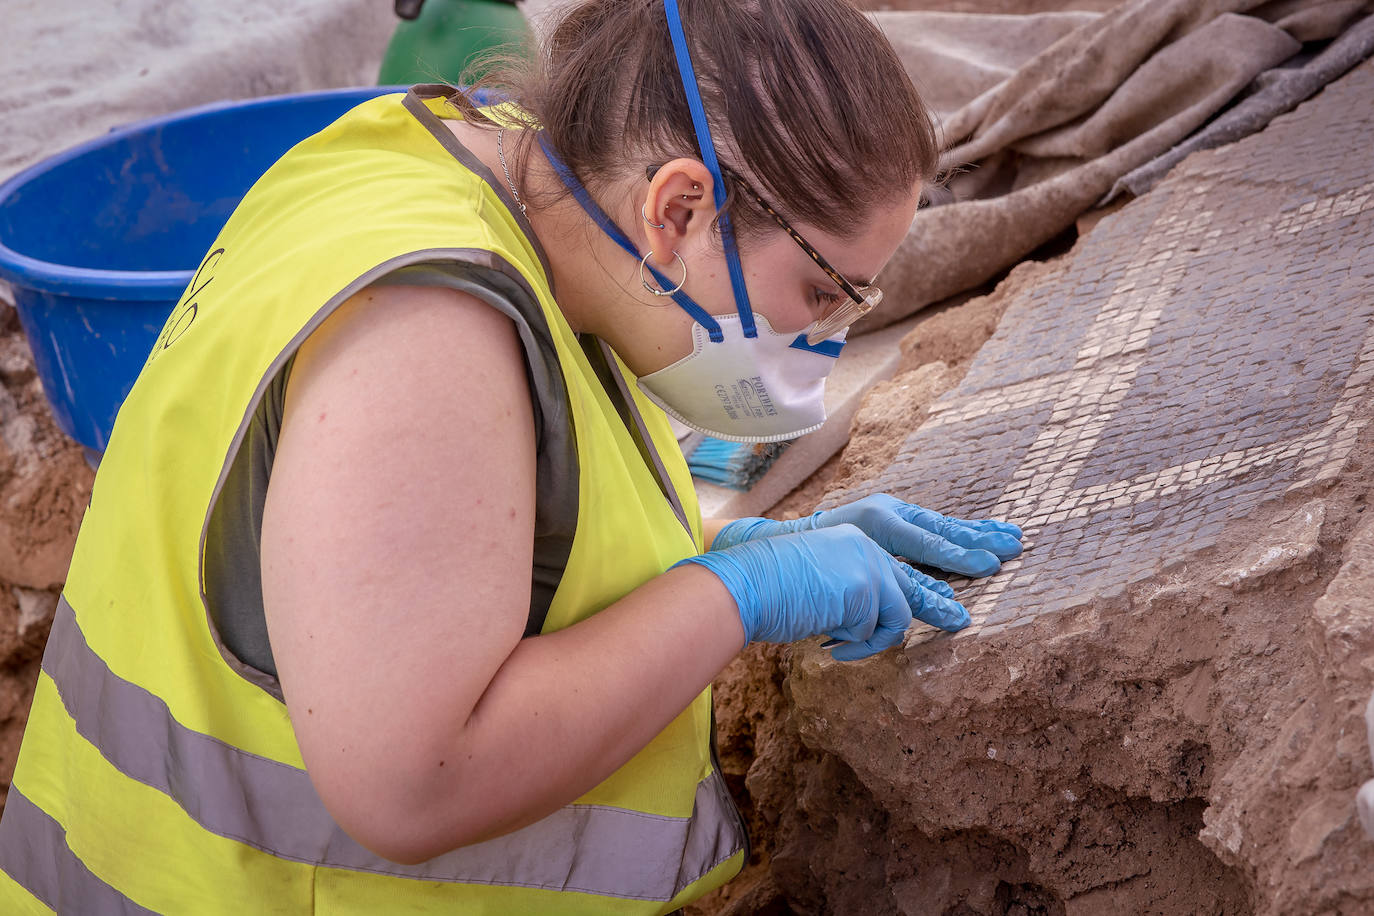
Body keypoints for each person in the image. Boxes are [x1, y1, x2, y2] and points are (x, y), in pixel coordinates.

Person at [0, 0, 1022, 911]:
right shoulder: (426, 336)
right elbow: (414, 780)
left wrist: (735, 551)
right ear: (677, 209)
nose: (828, 341)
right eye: (827, 293)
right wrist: (736, 595)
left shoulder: (457, 162)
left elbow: (462, 554)